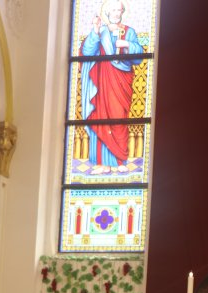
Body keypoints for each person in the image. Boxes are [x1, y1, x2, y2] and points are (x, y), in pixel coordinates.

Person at [80, 0, 144, 175]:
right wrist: (95, 30)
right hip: (102, 82)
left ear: (123, 12)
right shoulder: (101, 31)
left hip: (121, 82)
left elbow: (139, 56)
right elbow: (87, 52)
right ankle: (103, 164)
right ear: (107, 12)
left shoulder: (129, 32)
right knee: (101, 117)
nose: (116, 13)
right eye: (113, 10)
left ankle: (120, 160)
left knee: (118, 118)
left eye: (119, 10)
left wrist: (127, 45)